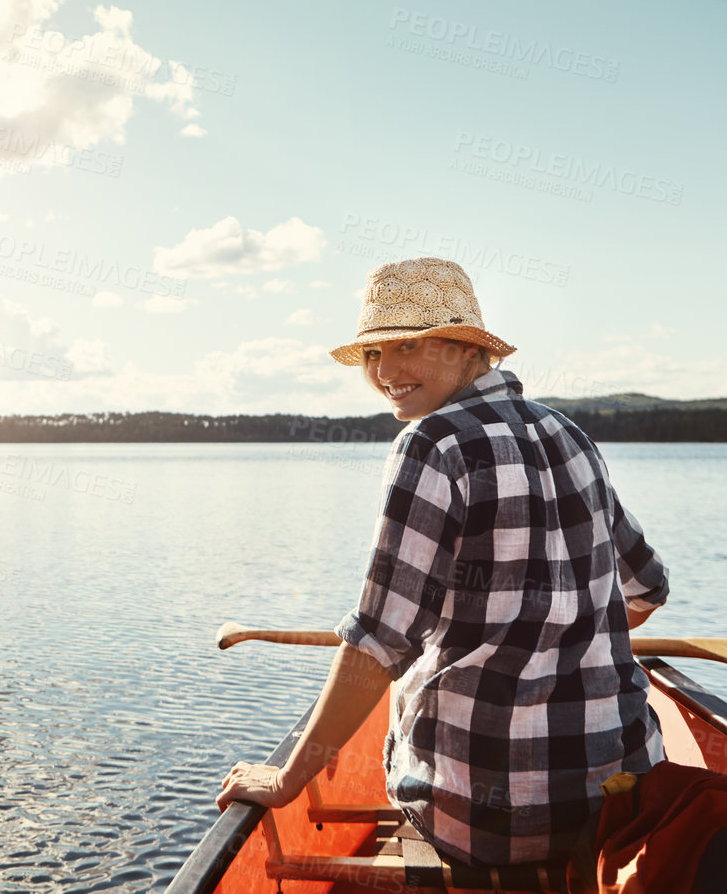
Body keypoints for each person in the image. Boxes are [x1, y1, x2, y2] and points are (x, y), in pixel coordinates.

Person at [215, 256, 671, 869]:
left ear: (464, 350)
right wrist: (565, 636)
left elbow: (379, 640)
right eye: (374, 355)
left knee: (406, 686)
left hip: (487, 818)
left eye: (406, 346)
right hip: (622, 796)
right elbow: (647, 587)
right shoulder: (571, 434)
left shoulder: (431, 443)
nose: (387, 372)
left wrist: (286, 781)